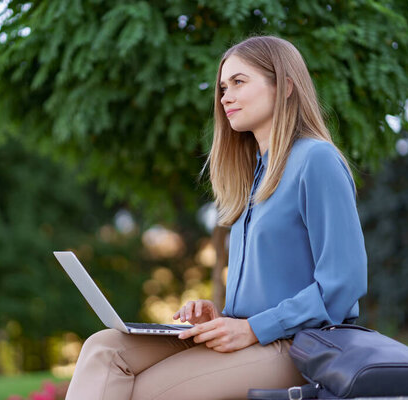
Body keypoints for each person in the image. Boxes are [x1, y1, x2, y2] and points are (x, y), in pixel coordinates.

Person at [65, 35, 367, 400]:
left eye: (239, 82)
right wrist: (221, 318)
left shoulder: (316, 160)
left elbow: (343, 283)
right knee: (105, 347)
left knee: (145, 391)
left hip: (296, 345)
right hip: (248, 335)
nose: (225, 96)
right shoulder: (253, 173)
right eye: (223, 87)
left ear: (285, 86)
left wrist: (253, 328)